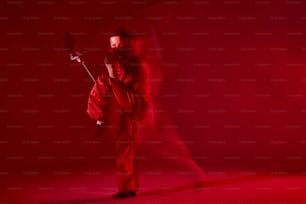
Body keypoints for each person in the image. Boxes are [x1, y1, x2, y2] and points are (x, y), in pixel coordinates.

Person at [87, 31, 151, 198]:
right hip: (129, 105)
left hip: (135, 105)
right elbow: (113, 78)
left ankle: (128, 188)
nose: (115, 48)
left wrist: (111, 67)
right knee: (123, 144)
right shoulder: (121, 60)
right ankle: (128, 187)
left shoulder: (134, 62)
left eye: (118, 45)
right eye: (112, 45)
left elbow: (121, 82)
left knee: (125, 144)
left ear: (126, 44)